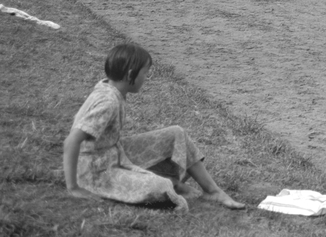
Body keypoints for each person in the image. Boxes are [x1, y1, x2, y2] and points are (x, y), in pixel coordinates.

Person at [63, 43, 244, 211]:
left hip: (112, 153)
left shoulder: (109, 87)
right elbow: (72, 140)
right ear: (130, 74)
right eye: (145, 73)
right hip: (96, 172)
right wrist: (73, 187)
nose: (146, 78)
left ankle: (212, 191)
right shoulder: (108, 102)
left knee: (176, 134)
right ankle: (173, 183)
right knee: (161, 187)